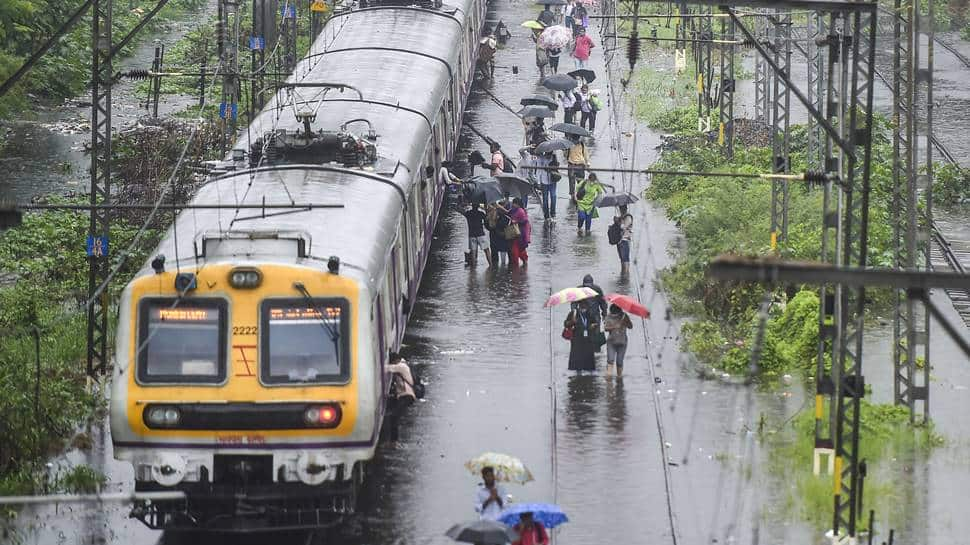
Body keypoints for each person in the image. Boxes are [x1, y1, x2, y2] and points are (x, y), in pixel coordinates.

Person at [386, 352, 416, 442]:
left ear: (396, 360)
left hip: (406, 396)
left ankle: (394, 442)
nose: (392, 364)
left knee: (394, 416)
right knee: (393, 415)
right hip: (404, 395)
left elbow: (386, 368)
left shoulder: (400, 366)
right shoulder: (404, 364)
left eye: (393, 362)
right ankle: (393, 441)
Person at [564, 297, 600, 372]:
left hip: (588, 339)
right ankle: (578, 373)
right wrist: (572, 322)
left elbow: (595, 323)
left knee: (588, 358)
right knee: (577, 358)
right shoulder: (574, 313)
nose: (584, 307)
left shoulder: (589, 313)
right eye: (582, 305)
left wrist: (592, 326)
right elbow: (566, 324)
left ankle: (589, 375)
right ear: (579, 305)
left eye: (585, 305)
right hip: (577, 339)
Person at [604, 304, 633, 377]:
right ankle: (609, 377)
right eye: (613, 313)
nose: (614, 315)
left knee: (619, 361)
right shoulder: (608, 317)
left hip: (622, 342)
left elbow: (630, 326)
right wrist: (614, 327)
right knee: (610, 360)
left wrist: (626, 322)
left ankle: (619, 376)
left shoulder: (624, 316)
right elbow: (606, 328)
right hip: (611, 342)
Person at [500, 198, 531, 267]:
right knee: (516, 250)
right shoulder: (514, 210)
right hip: (514, 233)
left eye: (514, 203)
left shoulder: (521, 211)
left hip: (520, 233)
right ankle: (519, 265)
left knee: (518, 249)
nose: (512, 205)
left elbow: (525, 221)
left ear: (517, 204)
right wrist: (499, 207)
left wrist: (516, 222)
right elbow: (508, 213)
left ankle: (520, 265)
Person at [463, 202, 491, 266]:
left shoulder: (468, 213)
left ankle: (473, 268)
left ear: (472, 206)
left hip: (472, 235)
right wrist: (486, 209)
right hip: (480, 234)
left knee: (473, 251)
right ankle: (490, 265)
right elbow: (487, 219)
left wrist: (463, 204)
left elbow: (461, 211)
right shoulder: (481, 213)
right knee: (486, 250)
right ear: (478, 206)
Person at [535, 150, 559, 221]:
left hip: (552, 181)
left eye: (550, 155)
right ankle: (546, 216)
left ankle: (553, 214)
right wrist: (538, 182)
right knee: (545, 199)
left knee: (553, 196)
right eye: (547, 155)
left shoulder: (554, 158)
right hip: (544, 181)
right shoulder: (541, 159)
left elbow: (556, 169)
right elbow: (538, 171)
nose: (549, 156)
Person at [486, 202, 511, 266]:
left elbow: (488, 226)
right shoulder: (491, 216)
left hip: (500, 239)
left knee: (500, 260)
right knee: (499, 260)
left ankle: (496, 271)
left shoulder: (505, 217)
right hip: (498, 239)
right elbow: (488, 226)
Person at [566, 135, 589, 201]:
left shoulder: (569, 145)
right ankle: (579, 196)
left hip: (572, 166)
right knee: (581, 182)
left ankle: (573, 196)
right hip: (580, 166)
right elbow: (585, 155)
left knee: (572, 182)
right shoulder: (582, 144)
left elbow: (565, 155)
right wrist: (587, 164)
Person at [615, 204, 633, 275]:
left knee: (625, 258)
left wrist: (619, 222)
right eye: (620, 208)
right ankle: (623, 272)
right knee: (622, 258)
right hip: (619, 240)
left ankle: (626, 273)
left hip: (625, 239)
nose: (621, 210)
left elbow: (624, 227)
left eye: (622, 208)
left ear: (625, 208)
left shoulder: (628, 217)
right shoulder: (621, 217)